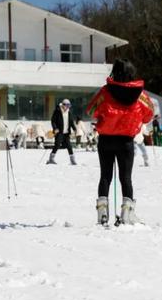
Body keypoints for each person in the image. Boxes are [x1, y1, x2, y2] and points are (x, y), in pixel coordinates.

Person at [86, 58, 154, 225]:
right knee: (126, 178)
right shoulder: (140, 94)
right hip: (126, 141)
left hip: (106, 139)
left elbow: (91, 111)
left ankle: (102, 212)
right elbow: (149, 114)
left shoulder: (105, 91)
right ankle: (127, 214)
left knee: (105, 176)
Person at [47, 99, 77, 165]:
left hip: (66, 132)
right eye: (67, 105)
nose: (68, 107)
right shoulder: (57, 111)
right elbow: (53, 121)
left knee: (69, 146)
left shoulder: (69, 112)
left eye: (69, 106)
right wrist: (55, 128)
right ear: (63, 105)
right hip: (59, 131)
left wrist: (74, 128)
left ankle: (72, 160)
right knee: (57, 144)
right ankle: (51, 159)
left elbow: (71, 121)